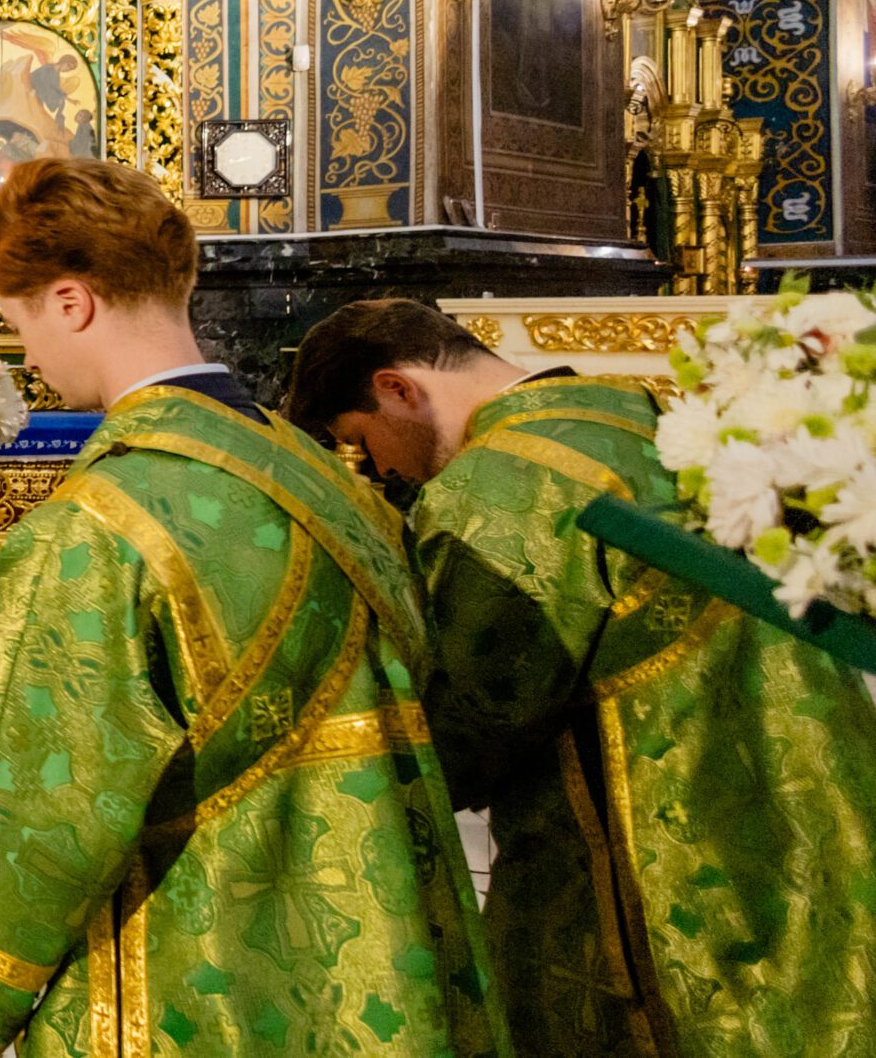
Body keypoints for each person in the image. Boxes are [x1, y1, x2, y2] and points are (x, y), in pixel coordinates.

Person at [0, 159, 504, 1056]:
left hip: (201, 954)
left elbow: (49, 811)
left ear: (71, 302)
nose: (29, 356)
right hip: (382, 917)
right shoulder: (318, 468)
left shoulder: (96, 526)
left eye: (19, 324)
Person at [284, 300, 876, 1058]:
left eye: (362, 443)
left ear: (397, 389)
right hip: (805, 786)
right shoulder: (646, 413)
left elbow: (470, 719)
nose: (384, 471)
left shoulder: (497, 486)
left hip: (672, 847)